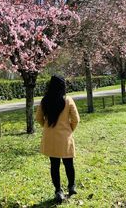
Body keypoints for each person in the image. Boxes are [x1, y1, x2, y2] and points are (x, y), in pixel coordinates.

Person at [36, 75, 80, 203]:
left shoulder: (45, 101)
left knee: (54, 165)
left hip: (50, 138)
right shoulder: (68, 100)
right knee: (69, 164)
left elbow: (38, 118)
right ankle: (71, 187)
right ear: (63, 86)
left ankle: (58, 191)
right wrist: (70, 129)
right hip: (65, 137)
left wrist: (46, 126)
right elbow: (76, 119)